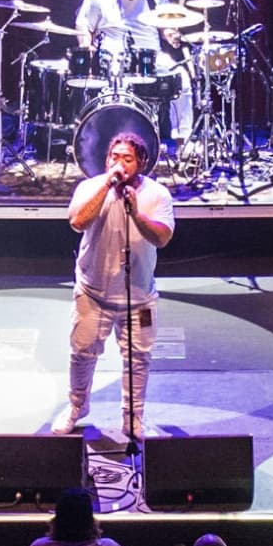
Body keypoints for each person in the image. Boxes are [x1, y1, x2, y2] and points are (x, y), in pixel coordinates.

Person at [63, 124, 175, 450]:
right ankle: (76, 405)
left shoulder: (157, 195)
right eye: (114, 156)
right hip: (92, 292)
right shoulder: (91, 187)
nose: (118, 163)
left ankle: (133, 416)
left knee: (138, 357)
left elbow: (163, 237)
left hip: (138, 297)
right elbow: (77, 221)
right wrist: (106, 187)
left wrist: (137, 214)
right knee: (82, 352)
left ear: (141, 161)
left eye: (126, 158)